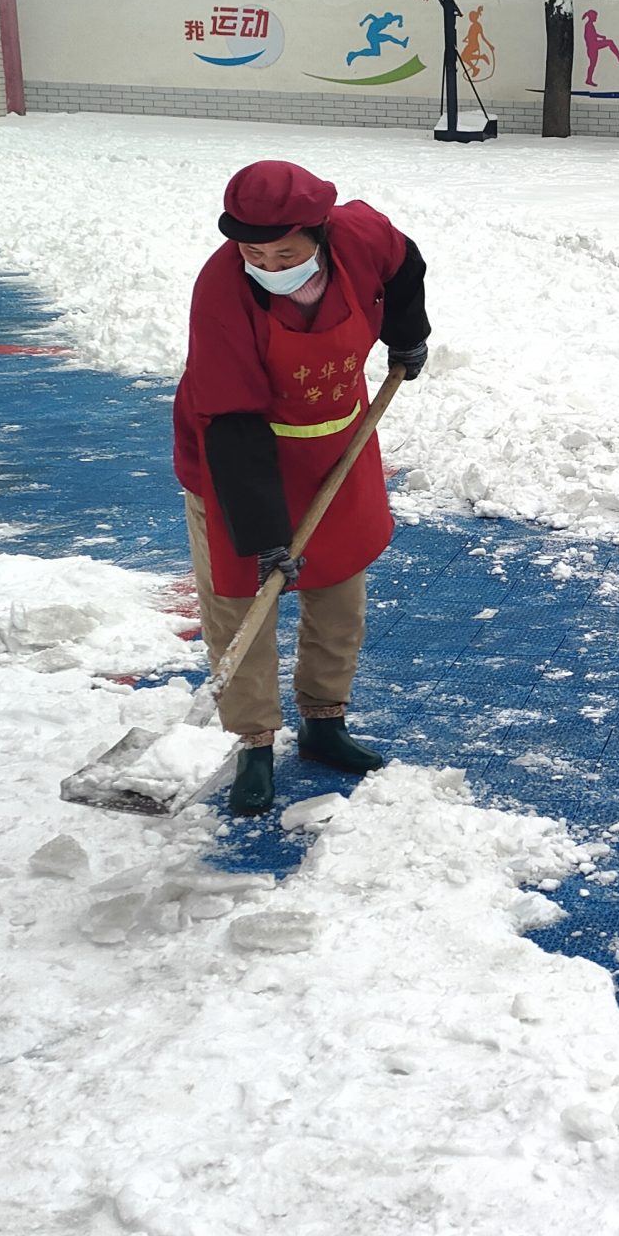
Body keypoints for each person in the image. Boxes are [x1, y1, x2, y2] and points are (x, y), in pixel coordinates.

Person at [170, 161, 431, 815]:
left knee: (339, 590)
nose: (266, 262)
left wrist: (409, 336)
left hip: (336, 443)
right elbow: (229, 420)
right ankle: (254, 742)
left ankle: (324, 722)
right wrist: (261, 537)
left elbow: (406, 266)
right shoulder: (222, 291)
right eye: (252, 250)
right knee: (242, 605)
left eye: (283, 250)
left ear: (317, 232)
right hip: (235, 459)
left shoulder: (360, 238)